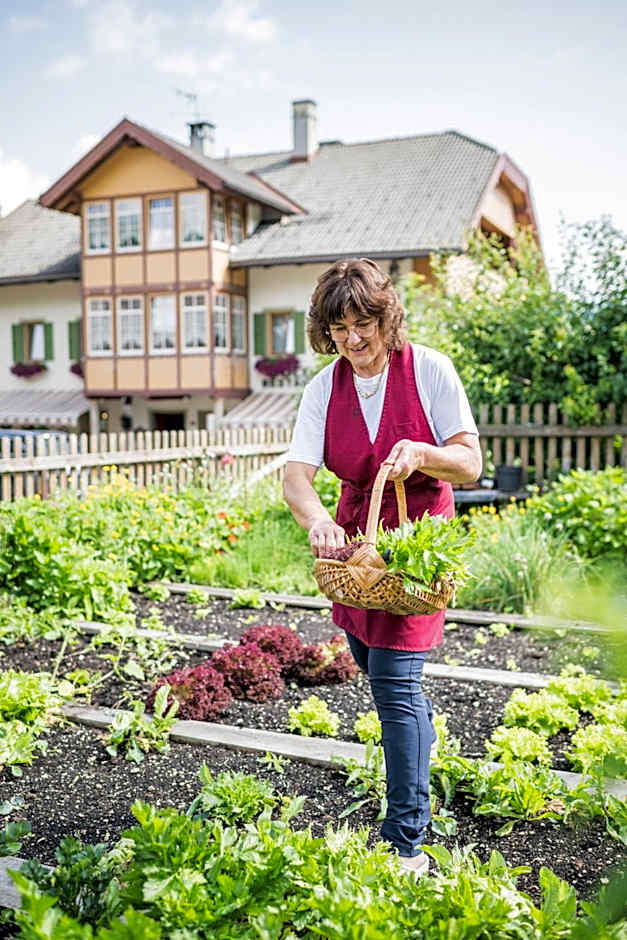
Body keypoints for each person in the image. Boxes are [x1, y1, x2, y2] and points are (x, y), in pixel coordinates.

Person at [283, 258, 481, 875]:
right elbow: (296, 477)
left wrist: (423, 452)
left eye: (362, 324)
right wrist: (318, 520)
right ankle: (421, 752)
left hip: (418, 552)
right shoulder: (324, 389)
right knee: (372, 664)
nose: (352, 339)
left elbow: (470, 463)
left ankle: (406, 840)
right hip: (356, 551)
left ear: (385, 318)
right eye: (339, 328)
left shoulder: (429, 370)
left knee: (395, 682)